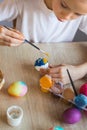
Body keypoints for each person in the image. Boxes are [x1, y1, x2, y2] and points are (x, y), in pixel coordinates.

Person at [0, 0, 87, 94]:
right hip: (18, 69)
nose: (67, 16)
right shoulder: (22, 2)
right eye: (64, 5)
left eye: (78, 14)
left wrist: (80, 71)